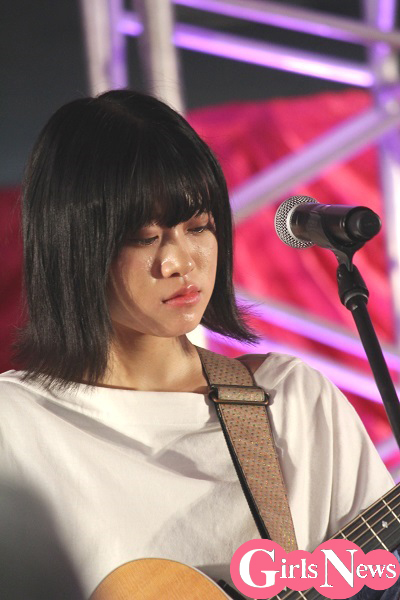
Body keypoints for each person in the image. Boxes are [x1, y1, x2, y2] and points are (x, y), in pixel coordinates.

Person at [0, 90, 396, 598]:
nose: (180, 262)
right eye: (144, 238)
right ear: (74, 245)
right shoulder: (15, 426)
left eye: (198, 227)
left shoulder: (292, 400)